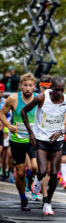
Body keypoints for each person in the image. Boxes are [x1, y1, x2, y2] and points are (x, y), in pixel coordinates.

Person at [21, 76, 66, 215]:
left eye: (62, 90)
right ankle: (37, 180)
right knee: (42, 171)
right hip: (41, 139)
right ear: (51, 88)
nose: (59, 93)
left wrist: (61, 131)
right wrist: (31, 133)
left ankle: (47, 203)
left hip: (57, 141)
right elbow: (24, 112)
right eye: (57, 90)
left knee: (54, 174)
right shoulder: (41, 98)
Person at [0, 73, 39, 211]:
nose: (28, 88)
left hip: (33, 139)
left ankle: (31, 176)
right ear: (21, 86)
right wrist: (8, 125)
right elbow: (2, 114)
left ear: (35, 86)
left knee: (35, 167)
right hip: (17, 140)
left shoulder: (39, 98)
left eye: (30, 86)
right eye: (25, 85)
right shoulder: (13, 98)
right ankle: (23, 198)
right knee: (20, 172)